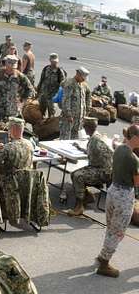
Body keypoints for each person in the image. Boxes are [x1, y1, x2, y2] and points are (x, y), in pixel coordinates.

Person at [94, 123, 139, 277]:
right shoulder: (133, 159)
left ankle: (102, 257)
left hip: (112, 191)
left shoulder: (119, 148)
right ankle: (104, 264)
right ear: (133, 137)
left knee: (110, 228)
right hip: (124, 196)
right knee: (118, 231)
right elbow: (137, 182)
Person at [67, 117, 114, 216]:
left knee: (77, 175)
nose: (83, 128)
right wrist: (80, 148)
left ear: (88, 128)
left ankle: (79, 207)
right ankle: (86, 197)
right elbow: (92, 153)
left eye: (84, 126)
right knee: (75, 173)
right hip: (106, 170)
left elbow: (91, 158)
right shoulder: (97, 137)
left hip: (104, 173)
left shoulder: (94, 140)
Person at [0, 54, 35, 126]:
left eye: (13, 67)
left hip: (13, 110)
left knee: (14, 130)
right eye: (9, 66)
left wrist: (22, 101)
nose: (11, 69)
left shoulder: (20, 76)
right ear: (5, 64)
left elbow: (30, 90)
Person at [59, 66, 92, 140]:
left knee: (75, 139)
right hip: (69, 118)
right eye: (82, 77)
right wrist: (68, 114)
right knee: (65, 139)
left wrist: (87, 110)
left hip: (79, 118)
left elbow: (88, 95)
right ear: (78, 74)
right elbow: (66, 100)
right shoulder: (70, 84)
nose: (84, 79)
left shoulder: (83, 85)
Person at [36, 54, 66, 120]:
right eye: (52, 61)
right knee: (40, 113)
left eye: (55, 62)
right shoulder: (46, 69)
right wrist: (37, 92)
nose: (54, 63)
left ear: (57, 61)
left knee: (51, 115)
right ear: (50, 60)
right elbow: (41, 80)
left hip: (53, 96)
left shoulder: (59, 72)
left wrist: (60, 98)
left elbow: (63, 85)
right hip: (43, 94)